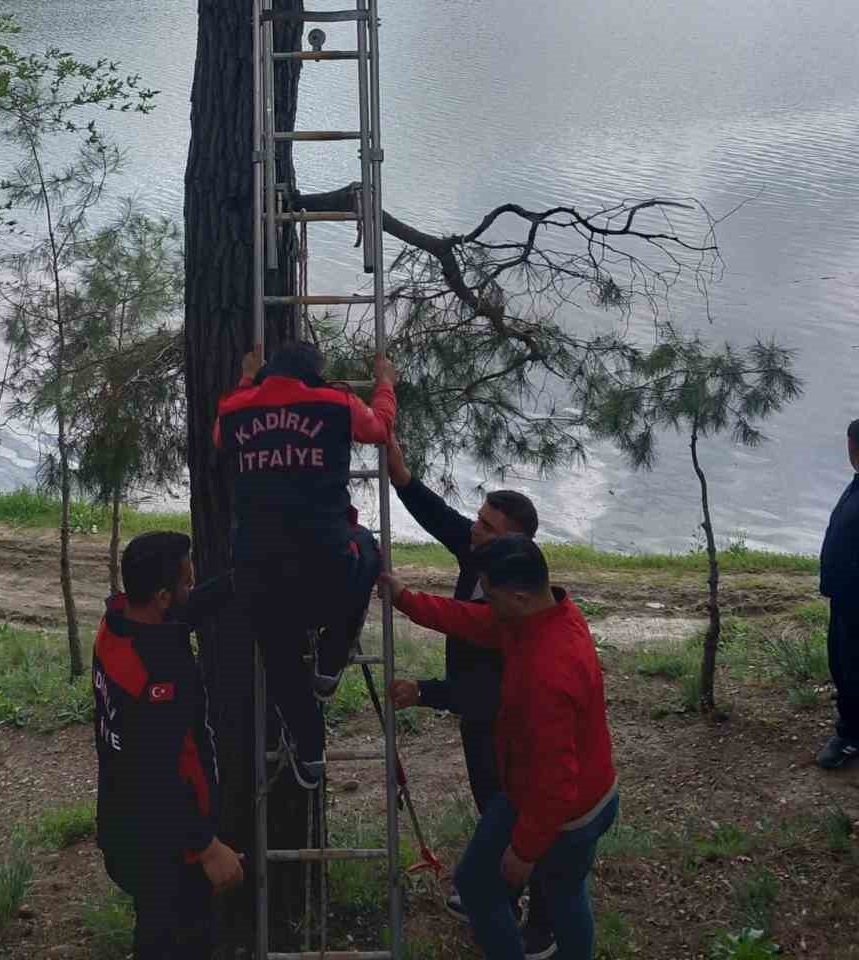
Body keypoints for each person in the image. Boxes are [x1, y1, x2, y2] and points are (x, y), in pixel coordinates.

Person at [384, 536, 618, 960]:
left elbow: (557, 783)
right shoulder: (544, 615)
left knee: (517, 888)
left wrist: (525, 850)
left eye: (490, 596)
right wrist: (404, 599)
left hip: (567, 811)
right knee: (542, 888)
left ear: (519, 594)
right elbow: (470, 620)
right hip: (551, 789)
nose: (486, 605)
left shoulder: (548, 671)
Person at [384, 439, 554, 959]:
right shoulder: (483, 552)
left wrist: (425, 692)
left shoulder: (517, 599)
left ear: (513, 543)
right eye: (479, 520)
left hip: (502, 717)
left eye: (486, 525)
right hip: (477, 714)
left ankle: (541, 926)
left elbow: (491, 688)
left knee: (517, 812)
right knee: (492, 802)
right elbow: (439, 516)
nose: (473, 528)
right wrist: (400, 474)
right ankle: (498, 891)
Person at [214, 342, 396, 787]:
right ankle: (332, 658)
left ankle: (310, 754)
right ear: (314, 372)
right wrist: (386, 384)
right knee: (367, 550)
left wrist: (246, 380)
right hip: (325, 565)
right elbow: (380, 430)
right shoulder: (335, 402)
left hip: (258, 568)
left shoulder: (235, 409)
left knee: (278, 656)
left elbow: (221, 438)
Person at [92, 530, 244, 960]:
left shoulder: (118, 624)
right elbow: (156, 774)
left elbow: (184, 611)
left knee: (157, 928)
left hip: (124, 824)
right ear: (161, 596)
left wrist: (240, 579)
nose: (191, 589)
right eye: (187, 582)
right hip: (162, 842)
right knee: (179, 940)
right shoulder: (156, 678)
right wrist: (206, 847)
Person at [817, 418, 859, 770]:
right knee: (843, 664)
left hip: (855, 601)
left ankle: (850, 736)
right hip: (844, 599)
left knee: (851, 666)